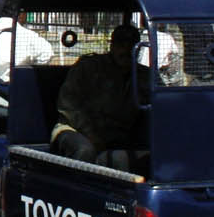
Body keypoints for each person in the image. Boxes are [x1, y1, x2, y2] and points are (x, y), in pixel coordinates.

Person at [51, 23, 145, 165]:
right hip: (75, 128)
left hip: (119, 134)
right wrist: (91, 134)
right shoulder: (88, 67)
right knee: (84, 151)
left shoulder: (145, 75)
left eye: (131, 45)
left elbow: (160, 103)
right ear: (112, 45)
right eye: (121, 44)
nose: (125, 50)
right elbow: (68, 104)